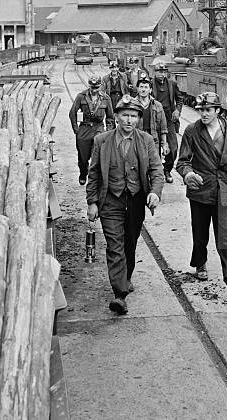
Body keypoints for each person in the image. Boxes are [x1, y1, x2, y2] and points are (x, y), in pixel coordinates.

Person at [86, 95, 165, 315]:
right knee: (114, 245)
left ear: (139, 119)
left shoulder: (146, 140)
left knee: (129, 244)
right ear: (117, 117)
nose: (129, 120)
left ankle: (126, 277)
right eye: (125, 116)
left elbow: (156, 170)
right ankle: (120, 294)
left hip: (136, 200)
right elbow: (93, 174)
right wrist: (92, 202)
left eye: (133, 116)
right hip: (110, 200)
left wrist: (155, 192)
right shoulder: (102, 140)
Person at [176, 92, 227, 300]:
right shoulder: (192, 131)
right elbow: (182, 161)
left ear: (218, 111)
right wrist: (188, 174)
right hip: (201, 191)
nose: (203, 114)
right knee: (200, 234)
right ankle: (200, 262)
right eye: (201, 110)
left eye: (208, 110)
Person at [69, 75, 114, 185]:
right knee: (83, 157)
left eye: (97, 87)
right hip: (84, 128)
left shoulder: (106, 98)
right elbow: (72, 113)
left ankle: (95, 178)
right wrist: (76, 130)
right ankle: (83, 172)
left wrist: (108, 131)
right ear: (89, 86)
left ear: (100, 86)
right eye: (92, 88)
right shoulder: (81, 96)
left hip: (98, 128)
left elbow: (110, 117)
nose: (94, 90)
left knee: (98, 155)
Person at [152, 63, 183, 183]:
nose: (162, 74)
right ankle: (156, 173)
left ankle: (167, 170)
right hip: (154, 118)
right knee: (154, 147)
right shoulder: (150, 84)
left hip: (169, 118)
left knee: (173, 147)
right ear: (155, 72)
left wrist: (177, 110)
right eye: (160, 72)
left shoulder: (172, 84)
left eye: (164, 72)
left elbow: (179, 99)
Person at [135, 71, 170, 158]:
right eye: (141, 87)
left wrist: (164, 144)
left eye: (146, 87)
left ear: (150, 90)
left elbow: (163, 127)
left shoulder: (157, 105)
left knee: (154, 166)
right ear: (137, 89)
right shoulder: (132, 105)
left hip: (153, 141)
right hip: (136, 140)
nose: (143, 89)